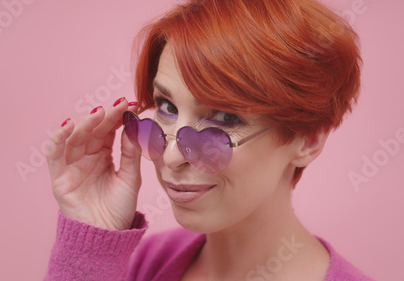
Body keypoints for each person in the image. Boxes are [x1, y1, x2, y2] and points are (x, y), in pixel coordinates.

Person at [44, 0, 373, 280]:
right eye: (167, 106)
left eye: (226, 117)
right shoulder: (145, 264)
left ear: (308, 141)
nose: (172, 156)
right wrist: (90, 244)